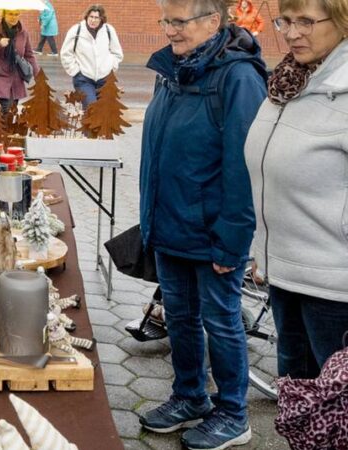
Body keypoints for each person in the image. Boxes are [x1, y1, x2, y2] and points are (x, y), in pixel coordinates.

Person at [137, 0, 268, 449]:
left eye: (179, 21)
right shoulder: (173, 69)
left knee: (222, 321)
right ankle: (189, 397)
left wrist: (232, 242)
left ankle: (234, 413)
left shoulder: (238, 76)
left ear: (214, 22)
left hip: (213, 234)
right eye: (166, 21)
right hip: (171, 225)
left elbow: (245, 165)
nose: (170, 30)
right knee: (180, 318)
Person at [244, 0, 348, 383]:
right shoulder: (289, 80)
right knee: (301, 404)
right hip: (286, 275)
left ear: (342, 21)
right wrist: (265, 248)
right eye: (285, 21)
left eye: (306, 21)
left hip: (336, 287)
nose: (291, 33)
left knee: (336, 412)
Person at [59, 4, 123, 110]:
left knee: (105, 112)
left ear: (101, 19)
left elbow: (117, 53)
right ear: (87, 17)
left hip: (105, 79)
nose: (93, 20)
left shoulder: (109, 30)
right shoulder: (76, 30)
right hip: (84, 79)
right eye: (91, 17)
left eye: (96, 17)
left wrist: (111, 68)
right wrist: (76, 71)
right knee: (91, 109)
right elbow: (66, 53)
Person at [0, 9, 40, 114]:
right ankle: (4, 130)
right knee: (7, 109)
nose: (14, 17)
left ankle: (4, 130)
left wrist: (38, 76)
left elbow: (29, 55)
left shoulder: (23, 32)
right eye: (10, 14)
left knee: (12, 110)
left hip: (16, 77)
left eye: (16, 14)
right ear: (3, 14)